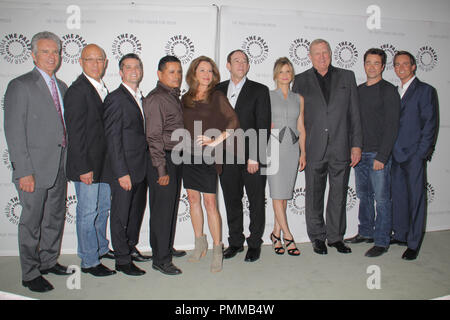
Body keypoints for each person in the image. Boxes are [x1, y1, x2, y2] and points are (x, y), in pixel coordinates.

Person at [4, 31, 73, 292]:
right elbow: (14, 132)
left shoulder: (63, 87)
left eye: (55, 51)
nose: (51, 56)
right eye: (45, 51)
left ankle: (47, 261)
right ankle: (30, 272)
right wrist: (24, 171)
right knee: (31, 221)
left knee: (54, 218)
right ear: (33, 55)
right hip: (32, 169)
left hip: (60, 165)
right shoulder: (20, 85)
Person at [292, 39, 362, 255]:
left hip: (341, 146)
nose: (322, 56)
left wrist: (357, 145)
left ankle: (336, 237)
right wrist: (300, 150)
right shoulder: (301, 80)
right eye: (317, 53)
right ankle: (317, 237)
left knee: (338, 194)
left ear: (331, 54)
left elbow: (355, 114)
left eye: (325, 52)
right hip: (313, 147)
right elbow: (297, 118)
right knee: (314, 194)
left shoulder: (347, 76)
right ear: (310, 56)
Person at [182, 56, 239, 272]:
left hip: (208, 157)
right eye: (202, 70)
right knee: (193, 199)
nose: (206, 75)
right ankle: (200, 243)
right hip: (188, 156)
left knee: (210, 203)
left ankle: (217, 249)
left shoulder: (217, 97)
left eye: (210, 71)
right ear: (194, 73)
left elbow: (234, 121)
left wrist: (216, 140)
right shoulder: (185, 98)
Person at [63, 44, 116, 277]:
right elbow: (75, 133)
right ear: (81, 62)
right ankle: (89, 261)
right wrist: (84, 168)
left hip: (104, 165)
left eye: (99, 60)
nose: (95, 64)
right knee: (87, 212)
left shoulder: (101, 87)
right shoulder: (77, 90)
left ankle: (101, 248)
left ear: (105, 63)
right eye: (90, 60)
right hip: (87, 167)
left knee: (103, 209)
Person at [344, 48, 400, 257]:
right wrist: (352, 148)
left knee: (382, 199)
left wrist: (382, 156)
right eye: (368, 62)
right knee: (364, 195)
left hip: (378, 155)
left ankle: (382, 240)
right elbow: (353, 123)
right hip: (360, 154)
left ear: (383, 66)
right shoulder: (358, 90)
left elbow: (392, 126)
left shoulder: (388, 91)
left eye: (376, 63)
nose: (372, 66)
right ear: (364, 64)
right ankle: (366, 232)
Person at [216, 49, 271, 262]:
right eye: (236, 60)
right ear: (228, 66)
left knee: (256, 201)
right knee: (232, 200)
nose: (241, 64)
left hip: (252, 158)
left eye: (244, 61)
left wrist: (255, 156)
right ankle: (235, 242)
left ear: (248, 66)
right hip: (226, 157)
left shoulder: (259, 90)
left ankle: (254, 243)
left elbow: (263, 125)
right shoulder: (218, 90)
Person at [103, 53, 150, 276]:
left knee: (135, 213)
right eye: (128, 67)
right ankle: (122, 259)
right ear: (120, 72)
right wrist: (121, 172)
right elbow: (112, 139)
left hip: (140, 169)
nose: (133, 70)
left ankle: (130, 248)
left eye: (137, 67)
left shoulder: (139, 97)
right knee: (121, 214)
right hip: (125, 171)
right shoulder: (115, 98)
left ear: (141, 71)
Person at [390, 50, 438, 260]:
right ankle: (400, 234)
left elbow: (430, 125)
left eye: (405, 64)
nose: (401, 68)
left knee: (417, 199)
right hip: (395, 154)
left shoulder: (426, 91)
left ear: (413, 67)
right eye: (397, 64)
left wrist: (421, 154)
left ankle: (414, 242)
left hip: (414, 156)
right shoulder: (394, 91)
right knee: (399, 197)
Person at [143, 56, 185, 275]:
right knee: (162, 210)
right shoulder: (156, 98)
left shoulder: (172, 95)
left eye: (179, 71)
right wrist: (161, 170)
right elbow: (153, 137)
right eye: (171, 72)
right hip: (163, 159)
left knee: (168, 208)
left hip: (174, 157)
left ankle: (165, 248)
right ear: (159, 74)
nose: (176, 76)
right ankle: (161, 259)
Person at [267, 57, 305, 256]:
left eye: (288, 71)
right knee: (276, 193)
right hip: (273, 147)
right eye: (281, 71)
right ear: (275, 74)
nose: (285, 75)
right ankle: (288, 236)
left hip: (292, 149)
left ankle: (275, 234)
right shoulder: (267, 95)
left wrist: (303, 152)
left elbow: (301, 127)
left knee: (284, 196)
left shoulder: (298, 98)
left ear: (292, 75)